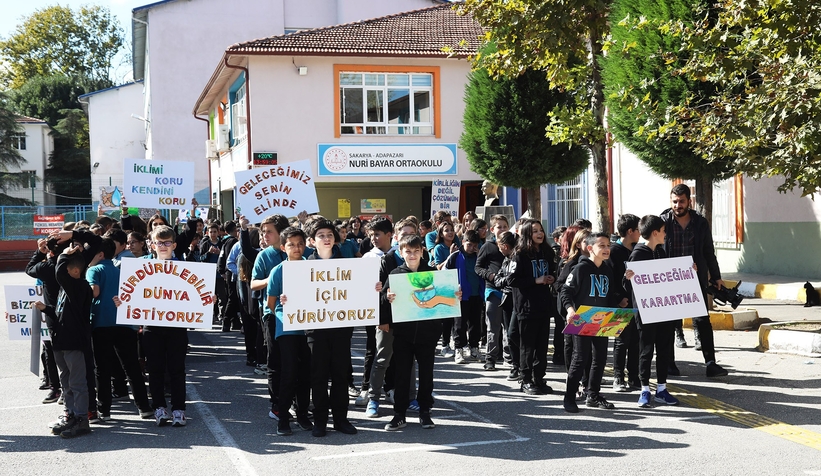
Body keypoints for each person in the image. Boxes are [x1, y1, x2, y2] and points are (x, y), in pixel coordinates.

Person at [383, 235, 461, 431]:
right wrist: (387, 297)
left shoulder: (432, 273)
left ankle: (425, 412)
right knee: (402, 374)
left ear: (422, 251)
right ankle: (399, 414)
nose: (412, 254)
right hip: (403, 334)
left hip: (428, 333)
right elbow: (383, 300)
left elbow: (447, 296)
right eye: (408, 251)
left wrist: (455, 294)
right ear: (401, 253)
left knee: (427, 374)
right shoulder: (395, 274)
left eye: (416, 251)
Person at [115, 225, 190, 427]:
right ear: (152, 244)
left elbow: (197, 295)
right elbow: (128, 289)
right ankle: (159, 407)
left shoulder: (186, 267)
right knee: (154, 369)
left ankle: (179, 409)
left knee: (177, 369)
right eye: (159, 242)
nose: (163, 246)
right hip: (151, 325)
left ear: (174, 244)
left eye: (167, 243)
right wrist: (123, 302)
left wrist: (209, 298)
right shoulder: (140, 265)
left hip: (177, 326)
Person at [37, 227, 102, 438]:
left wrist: (69, 247)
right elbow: (59, 313)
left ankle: (82, 418)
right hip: (62, 341)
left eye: (65, 266)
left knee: (77, 382)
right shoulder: (68, 288)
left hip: (74, 342)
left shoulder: (79, 286)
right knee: (66, 381)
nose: (61, 269)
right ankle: (72, 414)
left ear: (74, 271)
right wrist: (45, 309)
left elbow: (59, 271)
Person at [304, 219, 365, 437]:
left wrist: (372, 287)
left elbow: (360, 291)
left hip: (341, 328)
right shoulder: (303, 267)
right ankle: (320, 421)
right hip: (315, 330)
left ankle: (341, 419)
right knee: (318, 376)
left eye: (329, 234)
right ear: (312, 241)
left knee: (340, 376)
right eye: (321, 235)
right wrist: (287, 298)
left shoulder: (347, 264)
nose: (326, 238)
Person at [661, 184, 729, 378]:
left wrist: (716, 277)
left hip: (694, 279)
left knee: (702, 320)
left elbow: (708, 251)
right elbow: (656, 249)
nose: (678, 205)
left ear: (689, 202)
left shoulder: (700, 223)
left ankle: (711, 364)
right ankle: (669, 364)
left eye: (682, 201)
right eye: (675, 201)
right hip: (669, 280)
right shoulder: (663, 221)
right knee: (669, 321)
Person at [86, 237, 153, 420]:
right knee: (131, 366)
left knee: (103, 369)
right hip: (124, 322)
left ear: (99, 254)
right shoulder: (120, 270)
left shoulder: (93, 270)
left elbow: (94, 291)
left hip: (101, 323)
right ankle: (144, 406)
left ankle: (105, 410)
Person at [560, 232, 627, 413]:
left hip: (602, 317)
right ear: (590, 248)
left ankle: (593, 394)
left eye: (608, 245)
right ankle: (569, 396)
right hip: (583, 317)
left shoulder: (607, 269)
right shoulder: (580, 269)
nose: (607, 249)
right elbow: (565, 291)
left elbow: (610, 294)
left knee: (600, 358)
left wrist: (619, 306)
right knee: (580, 358)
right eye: (602, 246)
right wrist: (570, 310)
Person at [625, 215, 681, 408]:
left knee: (664, 350)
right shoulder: (638, 254)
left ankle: (662, 389)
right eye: (664, 231)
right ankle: (645, 390)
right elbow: (628, 282)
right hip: (646, 312)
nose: (666, 235)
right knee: (646, 350)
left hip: (663, 310)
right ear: (655, 233)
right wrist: (628, 277)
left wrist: (688, 272)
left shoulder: (660, 252)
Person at [266, 227, 314, 436]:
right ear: (283, 247)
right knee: (289, 373)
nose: (296, 248)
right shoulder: (278, 270)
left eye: (300, 244)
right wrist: (285, 305)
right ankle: (283, 417)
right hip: (286, 328)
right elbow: (271, 303)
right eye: (291, 244)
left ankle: (302, 413)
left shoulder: (312, 267)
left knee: (306, 374)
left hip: (309, 327)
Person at [509, 219, 556, 395]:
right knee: (527, 346)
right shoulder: (520, 254)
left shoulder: (546, 252)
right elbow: (512, 279)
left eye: (541, 230)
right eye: (535, 230)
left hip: (543, 305)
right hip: (526, 306)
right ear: (527, 233)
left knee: (542, 345)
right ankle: (525, 379)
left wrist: (550, 277)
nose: (539, 233)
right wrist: (535, 280)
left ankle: (539, 377)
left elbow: (551, 271)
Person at [250, 214, 290, 420]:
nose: (264, 235)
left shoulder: (298, 250)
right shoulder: (264, 256)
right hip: (272, 313)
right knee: (275, 360)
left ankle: (296, 402)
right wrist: (271, 279)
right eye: (263, 231)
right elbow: (253, 284)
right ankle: (276, 404)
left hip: (298, 313)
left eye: (269, 231)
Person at [26, 238, 65, 404]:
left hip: (52, 315)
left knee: (53, 352)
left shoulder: (47, 267)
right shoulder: (75, 265)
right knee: (74, 355)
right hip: (74, 315)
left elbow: (29, 269)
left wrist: (39, 252)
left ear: (50, 251)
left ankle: (56, 388)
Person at [609, 214, 642, 392]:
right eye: (638, 230)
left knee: (636, 341)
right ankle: (618, 377)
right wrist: (618, 298)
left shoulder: (639, 250)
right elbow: (611, 279)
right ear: (630, 231)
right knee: (622, 341)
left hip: (638, 304)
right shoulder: (614, 252)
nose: (640, 234)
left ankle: (634, 376)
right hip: (621, 304)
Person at [474, 214, 510, 371]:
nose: (502, 229)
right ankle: (490, 359)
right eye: (499, 227)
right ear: (492, 229)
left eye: (504, 226)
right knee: (493, 327)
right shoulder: (487, 247)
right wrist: (490, 275)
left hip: (509, 291)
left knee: (509, 328)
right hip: (493, 291)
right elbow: (478, 267)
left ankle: (509, 359)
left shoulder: (514, 245)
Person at [445, 230, 484, 364]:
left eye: (475, 245)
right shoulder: (455, 256)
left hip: (476, 294)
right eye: (469, 245)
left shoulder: (479, 256)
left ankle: (474, 348)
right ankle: (459, 349)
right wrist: (453, 288)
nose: (472, 248)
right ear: (463, 242)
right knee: (459, 325)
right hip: (460, 296)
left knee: (475, 323)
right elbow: (445, 274)